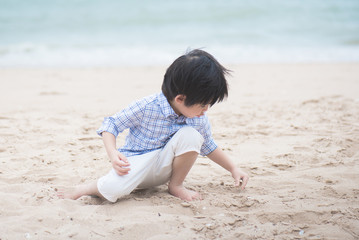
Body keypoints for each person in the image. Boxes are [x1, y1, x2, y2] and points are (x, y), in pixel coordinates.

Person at [59, 49, 249, 202]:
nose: (206, 110)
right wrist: (113, 153)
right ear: (180, 98)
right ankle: (84, 189)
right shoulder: (148, 106)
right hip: (136, 165)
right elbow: (111, 124)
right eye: (203, 104)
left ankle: (176, 185)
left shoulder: (198, 118)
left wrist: (233, 168)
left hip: (165, 168)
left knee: (192, 135)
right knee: (112, 190)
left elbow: (208, 145)